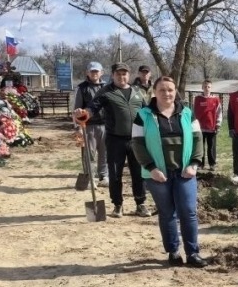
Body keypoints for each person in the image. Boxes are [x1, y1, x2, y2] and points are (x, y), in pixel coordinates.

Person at [131, 76, 208, 268]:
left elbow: (198, 140)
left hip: (185, 172)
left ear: (176, 92)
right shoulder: (143, 115)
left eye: (170, 90)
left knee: (189, 212)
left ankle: (193, 253)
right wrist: (151, 168)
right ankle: (173, 252)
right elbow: (137, 145)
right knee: (167, 213)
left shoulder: (188, 113)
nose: (167, 93)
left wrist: (194, 164)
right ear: (154, 92)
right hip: (158, 174)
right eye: (162, 90)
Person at [73, 62, 151, 218]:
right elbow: (92, 108)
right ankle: (117, 205)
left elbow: (147, 111)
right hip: (115, 139)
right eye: (118, 74)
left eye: (124, 74)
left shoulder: (137, 91)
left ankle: (140, 204)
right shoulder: (105, 92)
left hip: (136, 140)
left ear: (129, 75)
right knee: (115, 174)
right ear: (113, 75)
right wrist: (83, 113)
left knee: (138, 173)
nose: (122, 77)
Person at [73, 61, 109, 186]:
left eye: (96, 71)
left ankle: (103, 176)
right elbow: (76, 109)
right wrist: (77, 127)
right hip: (88, 126)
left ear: (101, 73)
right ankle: (89, 177)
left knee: (105, 152)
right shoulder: (82, 88)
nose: (94, 73)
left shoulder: (107, 87)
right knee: (89, 154)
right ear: (87, 72)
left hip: (105, 125)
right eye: (92, 71)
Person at [192, 79, 222, 171]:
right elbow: (193, 112)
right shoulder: (197, 99)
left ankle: (212, 164)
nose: (207, 88)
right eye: (205, 86)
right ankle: (200, 164)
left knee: (211, 147)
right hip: (200, 127)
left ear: (211, 88)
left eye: (208, 87)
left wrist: (218, 124)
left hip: (211, 127)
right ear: (202, 87)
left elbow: (219, 112)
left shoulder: (216, 100)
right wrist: (193, 124)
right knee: (200, 147)